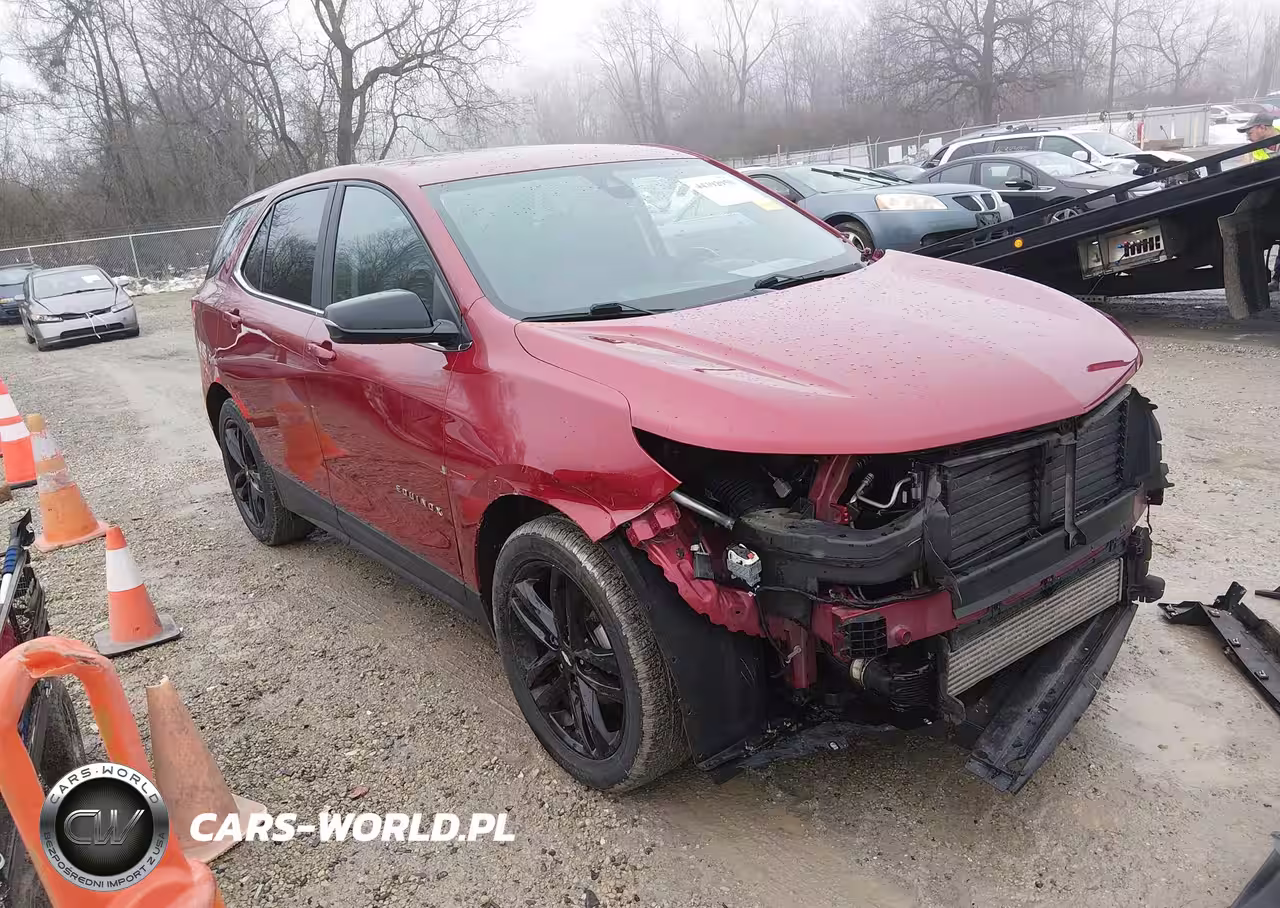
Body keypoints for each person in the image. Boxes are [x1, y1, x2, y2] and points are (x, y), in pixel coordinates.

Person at [1238, 113, 1280, 289]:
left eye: (1250, 131)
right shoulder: (1252, 151)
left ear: (1263, 128)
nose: (1248, 136)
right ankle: (1278, 279)